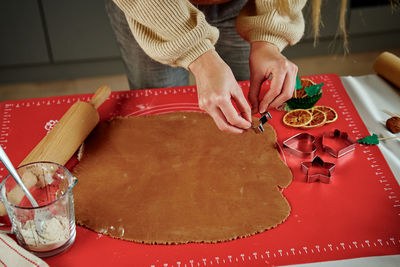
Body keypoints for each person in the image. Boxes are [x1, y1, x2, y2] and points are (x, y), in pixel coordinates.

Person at [105, 0, 307, 134]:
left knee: (236, 107)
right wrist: (198, 56)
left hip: (240, 5)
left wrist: (268, 37)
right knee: (160, 125)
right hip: (151, 10)